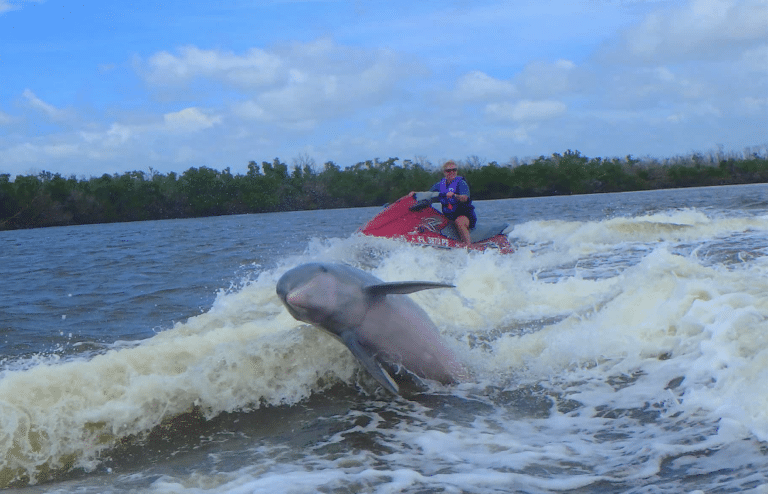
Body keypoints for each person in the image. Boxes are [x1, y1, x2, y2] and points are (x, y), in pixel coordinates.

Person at [410, 160, 476, 247]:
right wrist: (415, 194)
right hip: (448, 216)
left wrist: (455, 195)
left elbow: (465, 198)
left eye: (454, 170)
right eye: (448, 170)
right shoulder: (439, 185)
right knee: (431, 221)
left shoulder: (461, 183)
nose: (451, 172)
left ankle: (469, 247)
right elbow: (428, 194)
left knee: (459, 222)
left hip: (465, 215)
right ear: (444, 172)